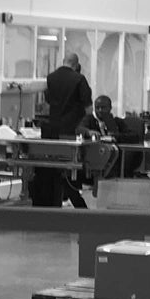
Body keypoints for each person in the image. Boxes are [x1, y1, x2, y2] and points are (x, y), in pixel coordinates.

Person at [38, 52, 91, 208]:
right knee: (70, 168)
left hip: (53, 131)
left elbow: (48, 102)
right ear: (76, 65)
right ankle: (76, 201)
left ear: (63, 61)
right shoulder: (79, 79)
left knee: (55, 167)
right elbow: (88, 108)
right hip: (72, 131)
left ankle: (61, 199)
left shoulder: (51, 77)